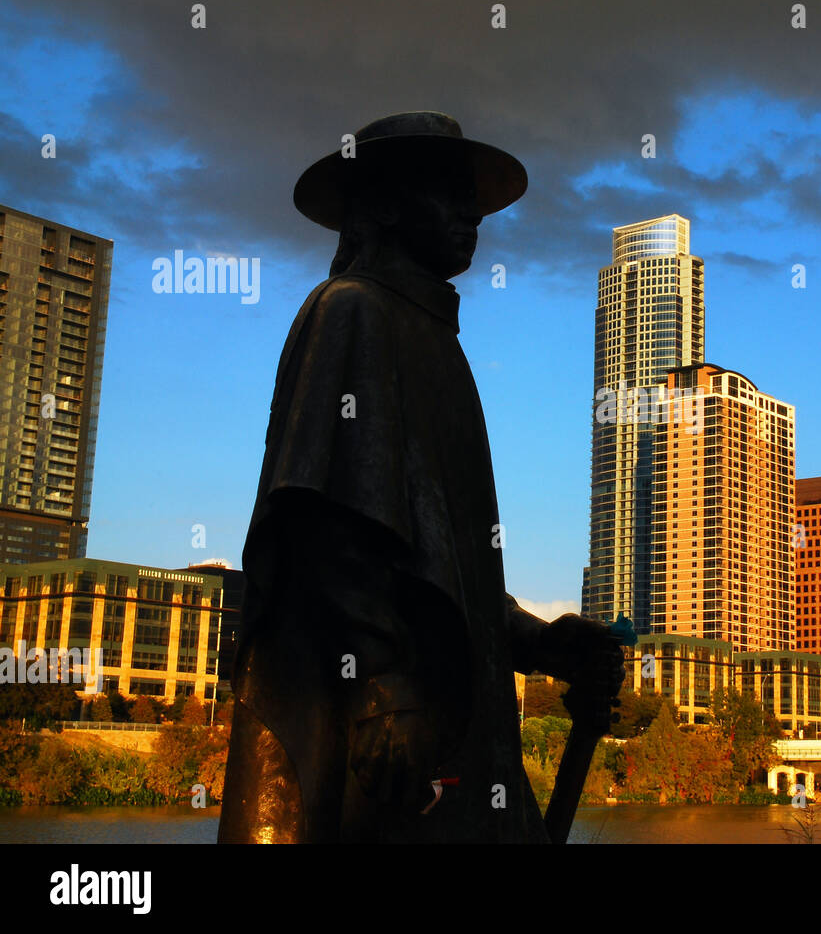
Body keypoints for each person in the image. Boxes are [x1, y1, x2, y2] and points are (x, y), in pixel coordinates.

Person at [218, 112, 624, 843]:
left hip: (445, 733)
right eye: (447, 191)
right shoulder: (350, 312)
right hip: (379, 746)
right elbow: (324, 526)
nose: (470, 213)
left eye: (473, 196)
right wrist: (380, 690)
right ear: (384, 202)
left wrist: (537, 641)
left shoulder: (438, 343)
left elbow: (437, 570)